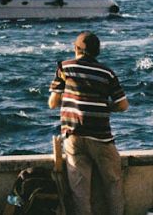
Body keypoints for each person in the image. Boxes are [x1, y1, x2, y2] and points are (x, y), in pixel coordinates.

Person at [49, 31, 129, 215]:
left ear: (76, 49)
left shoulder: (64, 67)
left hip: (73, 135)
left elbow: (53, 103)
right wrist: (105, 107)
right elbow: (123, 105)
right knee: (113, 183)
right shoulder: (107, 73)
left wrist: (70, 101)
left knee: (80, 192)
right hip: (101, 137)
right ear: (97, 52)